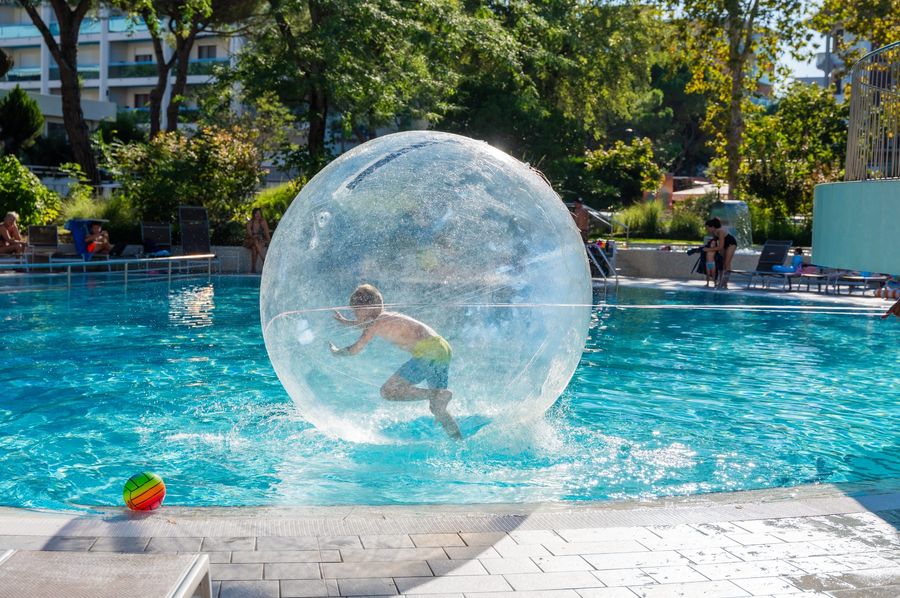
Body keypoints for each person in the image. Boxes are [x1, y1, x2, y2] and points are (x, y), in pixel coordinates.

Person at [329, 284, 462, 439]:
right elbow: (366, 324)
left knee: (388, 391)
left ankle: (436, 394)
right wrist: (347, 322)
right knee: (437, 408)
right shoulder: (386, 317)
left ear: (364, 309)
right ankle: (458, 441)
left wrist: (337, 352)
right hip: (442, 349)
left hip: (429, 352)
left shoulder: (376, 323)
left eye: (356, 311)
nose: (356, 316)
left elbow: (355, 349)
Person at [705, 217, 737, 289]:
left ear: (712, 227)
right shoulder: (714, 233)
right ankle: (722, 281)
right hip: (724, 246)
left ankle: (725, 283)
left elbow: (720, 246)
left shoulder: (720, 232)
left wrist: (708, 249)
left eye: (707, 228)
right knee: (722, 264)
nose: (707, 230)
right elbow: (718, 246)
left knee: (727, 263)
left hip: (731, 244)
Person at [245, 208, 271, 274]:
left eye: (259, 213)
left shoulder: (263, 222)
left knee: (254, 248)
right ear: (253, 214)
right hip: (249, 241)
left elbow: (267, 234)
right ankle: (263, 259)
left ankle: (253, 269)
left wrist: (270, 243)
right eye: (256, 213)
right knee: (255, 240)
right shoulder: (250, 223)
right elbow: (250, 235)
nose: (258, 215)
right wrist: (256, 236)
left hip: (259, 241)